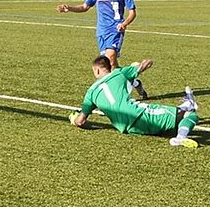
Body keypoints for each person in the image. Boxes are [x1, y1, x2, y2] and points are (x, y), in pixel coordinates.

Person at [56, 0, 148, 99]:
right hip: (101, 31)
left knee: (110, 58)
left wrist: (125, 23)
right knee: (112, 66)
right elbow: (84, 7)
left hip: (116, 30)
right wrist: (69, 8)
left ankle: (117, 97)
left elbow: (132, 12)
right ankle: (134, 81)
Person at [69, 56, 199, 148]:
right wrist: (141, 64)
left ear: (97, 70)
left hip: (127, 128)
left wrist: (73, 119)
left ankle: (186, 104)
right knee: (190, 115)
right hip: (139, 114)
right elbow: (147, 63)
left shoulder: (90, 92)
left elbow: (80, 121)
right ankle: (180, 137)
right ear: (109, 67)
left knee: (172, 118)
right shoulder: (119, 73)